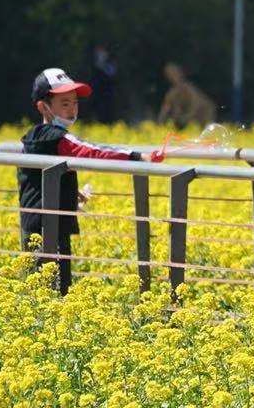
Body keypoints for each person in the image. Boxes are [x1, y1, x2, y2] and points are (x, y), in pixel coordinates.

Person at [17, 67, 164, 265]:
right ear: (44, 107)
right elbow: (91, 151)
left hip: (33, 225)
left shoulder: (34, 136)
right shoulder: (58, 138)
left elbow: (36, 180)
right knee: (55, 288)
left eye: (75, 103)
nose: (72, 109)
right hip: (51, 227)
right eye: (65, 103)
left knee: (39, 288)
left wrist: (69, 193)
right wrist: (137, 157)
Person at [156, 63, 218, 128]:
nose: (172, 76)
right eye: (169, 74)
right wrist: (160, 123)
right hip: (188, 122)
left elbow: (196, 104)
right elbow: (165, 109)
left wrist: (186, 118)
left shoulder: (189, 89)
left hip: (202, 117)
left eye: (174, 73)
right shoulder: (172, 93)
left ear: (180, 73)